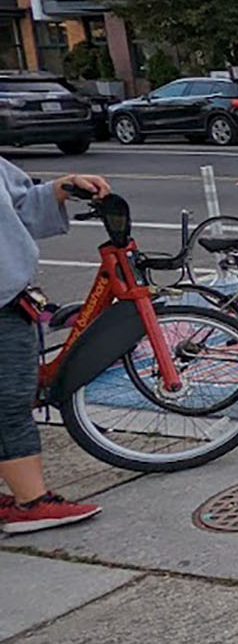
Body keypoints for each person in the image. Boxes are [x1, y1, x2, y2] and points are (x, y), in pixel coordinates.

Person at [0, 161, 110, 534]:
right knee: (9, 402)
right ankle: (30, 502)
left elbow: (19, 209)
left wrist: (61, 187)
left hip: (12, 297)